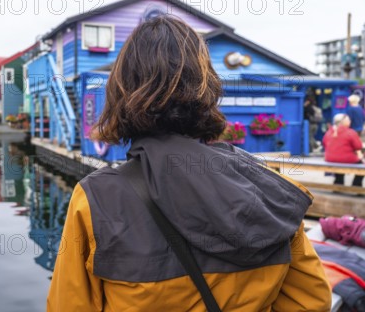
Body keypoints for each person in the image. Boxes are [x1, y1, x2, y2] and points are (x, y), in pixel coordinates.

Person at [47, 16, 331, 311]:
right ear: (207, 90)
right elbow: (311, 301)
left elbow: (68, 305)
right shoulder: (266, 190)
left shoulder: (96, 199)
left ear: (120, 92)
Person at [323, 113, 364, 186]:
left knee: (339, 160)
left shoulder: (329, 132)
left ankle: (338, 183)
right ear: (343, 122)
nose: (350, 121)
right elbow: (358, 146)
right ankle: (356, 185)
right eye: (348, 120)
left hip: (330, 159)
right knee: (362, 166)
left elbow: (324, 143)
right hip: (346, 159)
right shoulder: (350, 132)